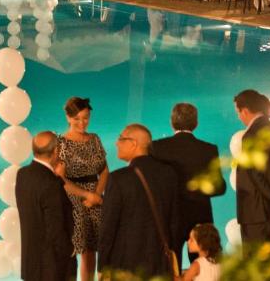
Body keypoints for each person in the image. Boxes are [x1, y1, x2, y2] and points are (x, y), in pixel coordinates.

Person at [98, 123, 179, 279]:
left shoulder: (118, 178)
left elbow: (107, 228)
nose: (116, 143)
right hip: (160, 264)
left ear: (133, 143)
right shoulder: (169, 174)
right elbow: (174, 222)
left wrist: (102, 266)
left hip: (125, 267)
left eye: (121, 138)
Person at [150, 103, 226, 266]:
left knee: (171, 266)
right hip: (200, 216)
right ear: (196, 123)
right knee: (204, 266)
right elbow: (219, 187)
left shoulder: (157, 147)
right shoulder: (209, 149)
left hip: (170, 216)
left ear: (172, 122)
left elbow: (154, 184)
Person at [233, 89, 270, 246]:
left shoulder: (251, 134)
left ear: (245, 111)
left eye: (238, 112)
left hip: (255, 212)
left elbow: (255, 174)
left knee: (255, 262)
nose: (239, 117)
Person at [57, 97, 108, 281]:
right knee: (73, 252)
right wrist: (87, 195)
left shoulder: (94, 139)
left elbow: (104, 170)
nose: (82, 123)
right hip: (72, 200)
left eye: (85, 118)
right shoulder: (60, 143)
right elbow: (60, 179)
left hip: (95, 200)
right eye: (77, 118)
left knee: (92, 252)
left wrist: (95, 195)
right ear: (68, 118)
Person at [16, 131, 76, 281]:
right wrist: (71, 250)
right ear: (56, 151)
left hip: (31, 264)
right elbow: (55, 230)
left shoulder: (22, 174)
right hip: (53, 268)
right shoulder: (52, 184)